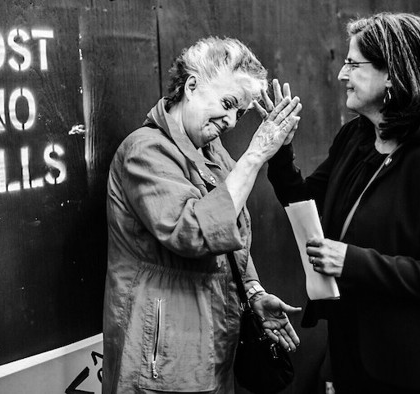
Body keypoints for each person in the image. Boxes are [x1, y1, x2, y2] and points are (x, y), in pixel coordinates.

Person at [266, 13, 420, 393]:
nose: (341, 75)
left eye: (353, 63)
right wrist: (280, 152)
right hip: (352, 353)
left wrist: (354, 262)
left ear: (393, 75)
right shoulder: (357, 137)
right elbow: (306, 205)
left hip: (413, 367)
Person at [101, 37, 303, 394]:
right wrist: (255, 155)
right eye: (227, 104)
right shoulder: (145, 150)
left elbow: (230, 233)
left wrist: (253, 292)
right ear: (192, 85)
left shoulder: (210, 150)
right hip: (160, 356)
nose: (231, 121)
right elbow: (193, 232)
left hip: (211, 343)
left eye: (239, 113)